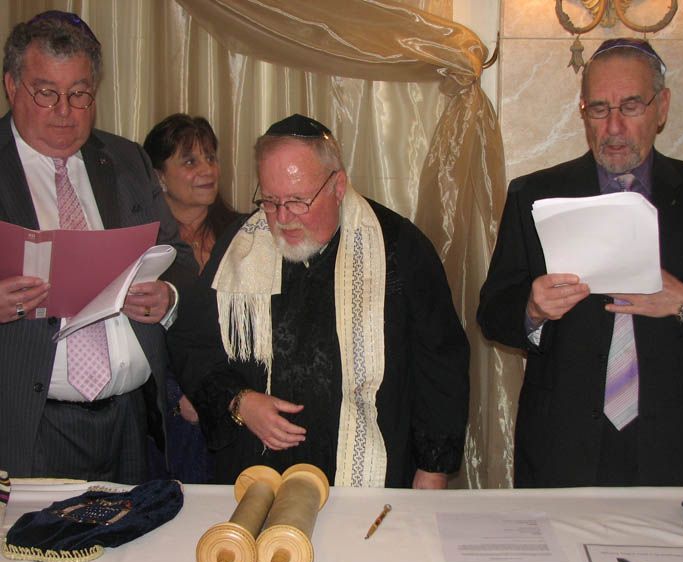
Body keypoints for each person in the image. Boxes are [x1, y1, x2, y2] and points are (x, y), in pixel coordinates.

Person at [477, 38, 683, 488]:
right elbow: (492, 314)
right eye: (599, 109)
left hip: (679, 447)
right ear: (583, 111)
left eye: (631, 106)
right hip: (562, 446)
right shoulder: (535, 195)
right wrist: (532, 309)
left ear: (661, 107)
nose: (614, 126)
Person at [169, 114, 469, 488]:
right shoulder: (240, 247)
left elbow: (440, 364)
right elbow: (191, 345)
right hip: (257, 471)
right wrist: (239, 401)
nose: (282, 218)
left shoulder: (397, 247)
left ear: (338, 186)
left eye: (297, 201)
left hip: (371, 474)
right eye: (270, 200)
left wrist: (433, 468)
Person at [0, 11, 193, 483]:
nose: (65, 111)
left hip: (131, 422)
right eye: (46, 93)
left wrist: (166, 297)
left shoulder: (126, 159)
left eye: (80, 94)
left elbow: (180, 259)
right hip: (28, 425)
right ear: (11, 86)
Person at [143, 113, 240, 482]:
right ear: (158, 176)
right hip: (172, 417)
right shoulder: (143, 246)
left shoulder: (245, 234)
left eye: (211, 157)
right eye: (189, 160)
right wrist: (175, 394)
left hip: (238, 403)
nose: (207, 169)